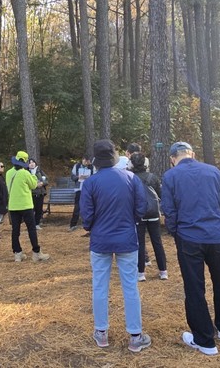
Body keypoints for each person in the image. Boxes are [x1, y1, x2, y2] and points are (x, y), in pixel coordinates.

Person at [160, 141, 220, 356]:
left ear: (173, 159)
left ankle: (204, 340)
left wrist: (175, 233)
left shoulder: (170, 176)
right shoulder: (213, 172)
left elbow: (169, 209)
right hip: (217, 236)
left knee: (194, 288)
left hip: (189, 237)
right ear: (192, 154)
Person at [80, 139, 151, 353]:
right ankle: (135, 336)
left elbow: (86, 216)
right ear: (114, 157)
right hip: (126, 238)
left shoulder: (91, 183)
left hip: (100, 240)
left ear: (96, 160)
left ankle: (101, 332)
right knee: (130, 286)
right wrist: (130, 221)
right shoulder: (130, 178)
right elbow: (142, 207)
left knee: (99, 286)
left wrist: (93, 226)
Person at [129, 152, 168, 281]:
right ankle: (163, 271)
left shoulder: (130, 178)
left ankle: (141, 273)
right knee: (157, 242)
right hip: (153, 214)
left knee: (140, 243)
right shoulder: (152, 177)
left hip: (138, 214)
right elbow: (160, 194)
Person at [6, 150, 50, 262]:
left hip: (13, 206)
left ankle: (17, 253)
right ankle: (36, 252)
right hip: (25, 205)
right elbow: (34, 185)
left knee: (15, 230)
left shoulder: (8, 173)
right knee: (31, 229)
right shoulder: (25, 173)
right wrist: (34, 177)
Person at [68, 155, 95, 231]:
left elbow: (95, 176)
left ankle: (89, 224)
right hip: (79, 189)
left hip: (89, 190)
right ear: (83, 160)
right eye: (85, 161)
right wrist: (78, 177)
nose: (86, 163)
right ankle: (73, 225)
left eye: (88, 161)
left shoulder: (92, 167)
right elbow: (72, 176)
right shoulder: (77, 166)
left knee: (89, 207)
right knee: (77, 207)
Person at [28, 158, 48, 230]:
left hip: (40, 193)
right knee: (31, 210)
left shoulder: (39, 171)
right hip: (31, 194)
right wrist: (35, 185)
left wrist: (42, 183)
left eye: (33, 162)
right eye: (30, 163)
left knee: (39, 210)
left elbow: (46, 180)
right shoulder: (27, 172)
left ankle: (37, 224)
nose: (32, 164)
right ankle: (31, 224)